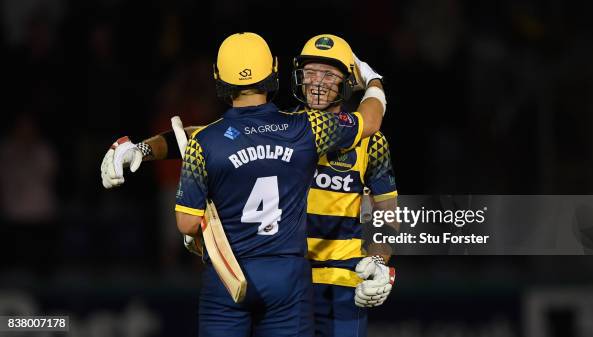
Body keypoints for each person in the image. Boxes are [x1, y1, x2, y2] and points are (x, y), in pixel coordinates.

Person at [101, 32, 387, 337]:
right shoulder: (303, 127)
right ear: (279, 70)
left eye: (329, 73)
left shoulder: (209, 142)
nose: (318, 82)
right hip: (290, 280)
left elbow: (196, 145)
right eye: (312, 71)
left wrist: (381, 261)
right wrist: (374, 80)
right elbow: (370, 119)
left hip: (279, 280)